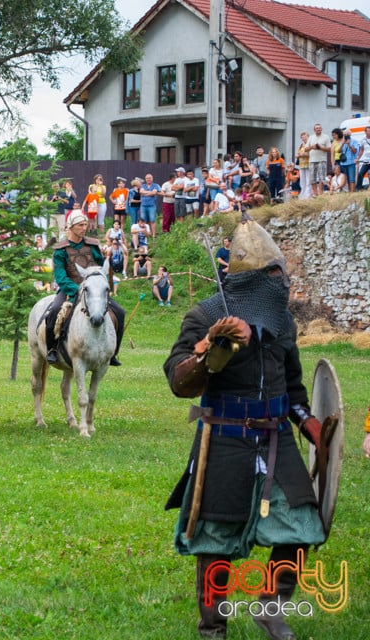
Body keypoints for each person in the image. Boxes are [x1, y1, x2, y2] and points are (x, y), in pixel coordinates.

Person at [163, 218, 326, 640]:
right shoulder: (205, 315)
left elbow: (292, 384)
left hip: (276, 435)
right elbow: (179, 382)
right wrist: (209, 350)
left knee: (302, 522)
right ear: (252, 280)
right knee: (216, 536)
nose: (281, 283)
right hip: (225, 437)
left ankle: (271, 606)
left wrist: (307, 420)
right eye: (272, 275)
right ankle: (212, 627)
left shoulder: (282, 321)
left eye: (281, 274)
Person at [43, 212, 125, 367]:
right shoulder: (61, 250)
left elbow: (102, 269)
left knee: (119, 312)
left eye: (85, 225)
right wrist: (78, 290)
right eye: (80, 225)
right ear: (71, 227)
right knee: (53, 311)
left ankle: (113, 353)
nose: (84, 228)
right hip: (70, 290)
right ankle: (52, 349)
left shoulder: (93, 246)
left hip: (95, 291)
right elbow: (60, 277)